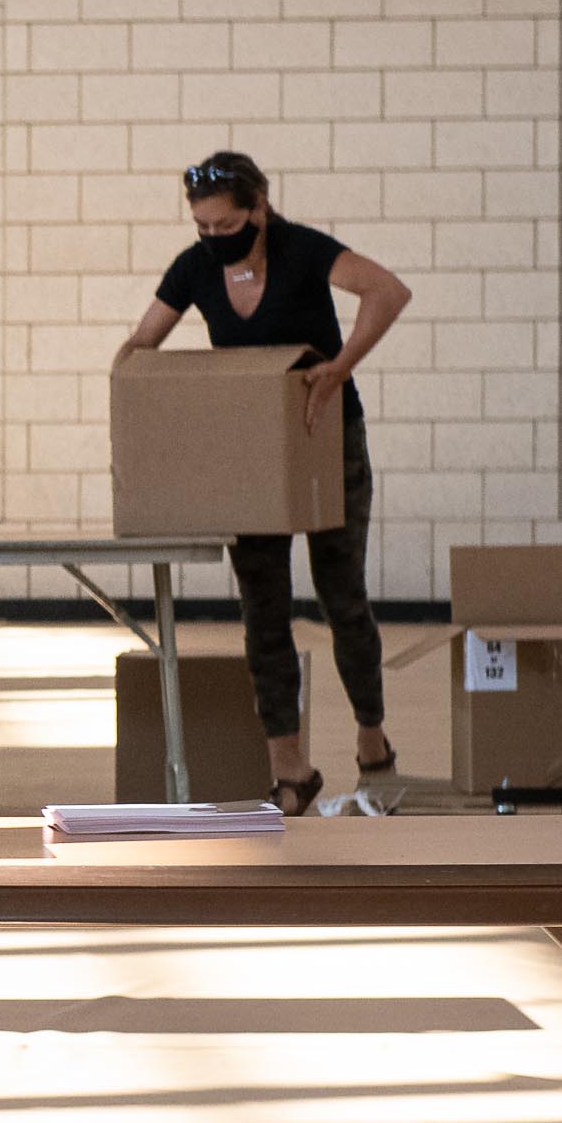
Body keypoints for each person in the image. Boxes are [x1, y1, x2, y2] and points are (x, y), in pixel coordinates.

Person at [114, 148, 410, 811]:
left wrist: (338, 368)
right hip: (249, 456)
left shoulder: (303, 251)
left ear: (259, 207)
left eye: (227, 226)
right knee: (263, 613)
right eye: (204, 228)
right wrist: (133, 410)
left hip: (327, 443)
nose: (216, 239)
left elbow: (387, 290)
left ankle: (372, 739)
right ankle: (291, 770)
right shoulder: (196, 268)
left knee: (343, 598)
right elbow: (140, 349)